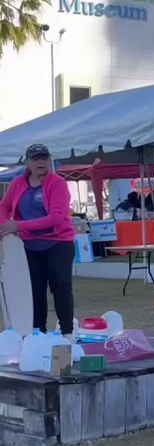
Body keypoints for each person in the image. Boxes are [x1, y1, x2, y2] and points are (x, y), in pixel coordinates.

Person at [0, 144, 76, 336]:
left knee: (61, 289)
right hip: (29, 245)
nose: (41, 161)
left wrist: (17, 226)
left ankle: (68, 333)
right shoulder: (17, 183)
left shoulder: (57, 183)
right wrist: (4, 227)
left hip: (58, 243)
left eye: (44, 157)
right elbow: (3, 206)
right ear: (27, 163)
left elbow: (56, 217)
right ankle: (37, 333)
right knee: (34, 292)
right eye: (36, 158)